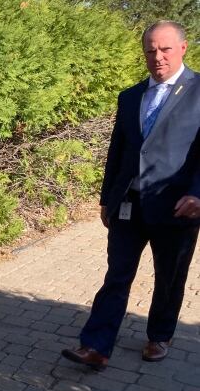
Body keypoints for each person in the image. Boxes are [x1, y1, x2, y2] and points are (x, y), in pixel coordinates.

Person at [62, 20, 200, 370]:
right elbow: (118, 151)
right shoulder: (129, 96)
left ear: (183, 48)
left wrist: (199, 194)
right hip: (129, 205)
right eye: (150, 50)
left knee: (169, 277)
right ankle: (96, 345)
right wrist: (107, 198)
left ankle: (159, 335)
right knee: (116, 275)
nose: (158, 57)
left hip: (177, 207)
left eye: (165, 49)